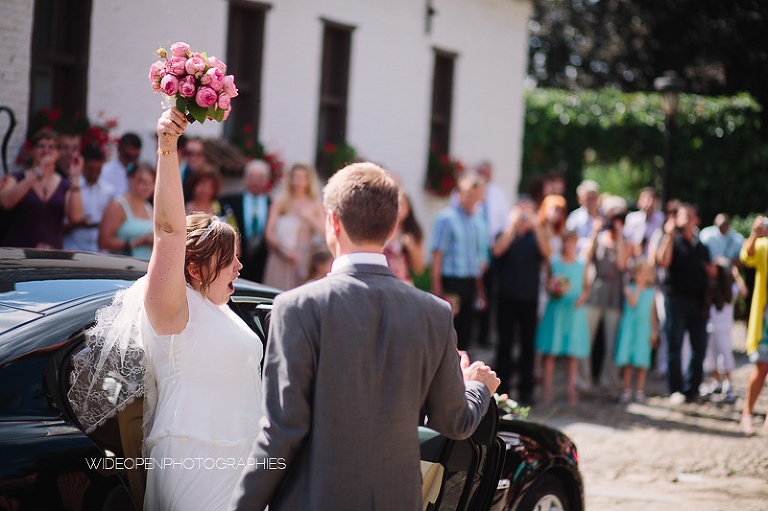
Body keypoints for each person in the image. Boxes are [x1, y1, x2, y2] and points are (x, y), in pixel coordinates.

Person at [230, 161, 499, 510]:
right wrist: (477, 387)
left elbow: (281, 433)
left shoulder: (297, 307)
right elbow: (453, 421)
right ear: (390, 227)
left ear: (334, 222)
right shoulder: (434, 312)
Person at [492, 198, 551, 405]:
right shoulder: (506, 233)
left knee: (528, 346)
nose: (524, 216)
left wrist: (536, 227)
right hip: (506, 297)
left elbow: (547, 253)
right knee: (504, 345)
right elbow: (497, 250)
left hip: (529, 299)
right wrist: (512, 225)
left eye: (529, 212)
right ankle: (502, 389)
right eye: (521, 212)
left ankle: (526, 391)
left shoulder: (536, 236)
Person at [656, 203, 715, 403]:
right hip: (676, 300)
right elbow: (662, 261)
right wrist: (668, 235)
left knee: (699, 346)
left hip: (698, 302)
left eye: (690, 216)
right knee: (675, 344)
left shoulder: (702, 247)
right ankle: (675, 389)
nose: (686, 220)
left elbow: (710, 271)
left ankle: (692, 388)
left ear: (696, 219)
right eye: (683, 216)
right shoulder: (673, 241)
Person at [431, 173, 489, 350]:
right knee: (449, 330)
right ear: (459, 193)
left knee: (466, 330)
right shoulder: (446, 218)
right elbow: (437, 255)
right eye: (467, 193)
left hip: (471, 283)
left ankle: (461, 372)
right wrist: (437, 288)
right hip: (452, 282)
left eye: (475, 194)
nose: (471, 198)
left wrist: (480, 286)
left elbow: (481, 255)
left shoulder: (479, 221)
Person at [0, 129, 84, 249]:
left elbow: (75, 217)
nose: (46, 151)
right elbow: (6, 202)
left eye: (51, 147)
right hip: (17, 254)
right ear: (31, 151)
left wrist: (75, 177)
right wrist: (37, 173)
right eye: (41, 146)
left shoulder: (65, 184)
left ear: (58, 153)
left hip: (51, 255)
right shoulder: (15, 178)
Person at [535, 229, 591, 405]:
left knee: (572, 353)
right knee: (551, 352)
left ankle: (570, 390)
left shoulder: (582, 264)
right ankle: (547, 391)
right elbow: (547, 286)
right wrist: (554, 288)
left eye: (572, 242)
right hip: (556, 310)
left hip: (573, 311)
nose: (568, 246)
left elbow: (587, 288)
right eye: (566, 242)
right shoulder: (554, 262)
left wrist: (581, 299)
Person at [581, 199, 629, 396]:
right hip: (595, 293)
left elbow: (622, 265)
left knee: (612, 343)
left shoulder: (625, 242)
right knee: (585, 339)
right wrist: (594, 233)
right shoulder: (597, 237)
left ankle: (609, 381)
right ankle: (583, 381)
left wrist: (618, 239)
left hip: (614, 296)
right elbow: (584, 258)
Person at [262, 163, 325, 290]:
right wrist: (285, 251)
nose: (297, 182)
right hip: (280, 257)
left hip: (302, 260)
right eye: (294, 177)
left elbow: (325, 233)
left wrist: (310, 218)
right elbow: (269, 233)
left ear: (309, 181)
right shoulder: (280, 202)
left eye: (302, 178)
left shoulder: (315, 204)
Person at [220, 160, 272, 282]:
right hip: (236, 265)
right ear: (245, 178)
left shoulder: (273, 204)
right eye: (251, 177)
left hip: (262, 267)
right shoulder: (229, 201)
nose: (255, 182)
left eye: (260, 178)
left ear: (267, 181)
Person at [739, 215, 768, 435]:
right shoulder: (764, 245)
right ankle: (747, 412)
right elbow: (746, 257)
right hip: (765, 317)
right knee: (761, 366)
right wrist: (755, 234)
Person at [702, 262, 746, 403]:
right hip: (710, 327)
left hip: (724, 329)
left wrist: (737, 276)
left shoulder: (729, 289)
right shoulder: (709, 286)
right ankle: (717, 383)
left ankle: (727, 384)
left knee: (726, 357)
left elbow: (744, 292)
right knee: (711, 358)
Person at [615, 261, 658, 404]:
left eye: (645, 273)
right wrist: (638, 288)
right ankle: (626, 390)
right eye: (639, 273)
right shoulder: (629, 288)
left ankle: (640, 391)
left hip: (644, 329)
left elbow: (653, 313)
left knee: (642, 361)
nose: (642, 276)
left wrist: (654, 331)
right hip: (629, 328)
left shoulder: (652, 292)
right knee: (627, 361)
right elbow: (632, 303)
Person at [63, 143, 116, 252]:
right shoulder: (71, 185)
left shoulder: (109, 190)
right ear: (83, 165)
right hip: (73, 248)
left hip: (100, 252)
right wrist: (78, 223)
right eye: (90, 169)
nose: (93, 174)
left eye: (98, 170)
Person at [98, 162, 155, 259]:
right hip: (123, 267)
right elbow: (103, 242)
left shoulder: (150, 208)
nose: (147, 187)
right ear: (130, 179)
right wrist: (136, 243)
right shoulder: (117, 205)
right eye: (142, 182)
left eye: (151, 183)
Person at [383, 190, 425, 285]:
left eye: (403, 205)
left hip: (403, 283)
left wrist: (411, 247)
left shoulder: (412, 233)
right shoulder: (381, 230)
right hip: (383, 283)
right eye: (396, 205)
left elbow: (419, 269)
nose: (400, 209)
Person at [624, 187, 665, 258]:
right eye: (644, 200)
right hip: (634, 260)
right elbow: (627, 239)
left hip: (653, 261)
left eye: (650, 200)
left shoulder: (661, 218)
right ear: (639, 201)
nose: (647, 204)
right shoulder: (631, 218)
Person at [98, 132, 142, 197]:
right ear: (119, 149)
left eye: (135, 157)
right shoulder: (105, 171)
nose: (131, 161)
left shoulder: (140, 172)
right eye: (128, 156)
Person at [565, 179, 601, 251]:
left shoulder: (606, 215)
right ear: (580, 199)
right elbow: (570, 242)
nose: (591, 201)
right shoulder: (574, 218)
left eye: (594, 197)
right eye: (588, 198)